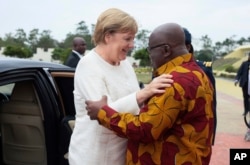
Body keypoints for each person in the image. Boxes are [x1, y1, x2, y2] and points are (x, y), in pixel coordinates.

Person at [86, 23, 215, 165]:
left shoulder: (172, 82)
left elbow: (145, 130)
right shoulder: (196, 72)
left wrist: (103, 113)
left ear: (166, 50)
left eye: (150, 49)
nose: (150, 55)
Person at [68, 8, 173, 165]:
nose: (132, 45)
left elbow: (136, 106)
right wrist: (144, 93)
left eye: (133, 39)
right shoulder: (88, 65)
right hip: (95, 156)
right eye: (127, 39)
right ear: (108, 36)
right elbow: (102, 113)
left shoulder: (125, 64)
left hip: (124, 152)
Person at [183, 27, 217, 145]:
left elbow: (211, 106)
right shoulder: (160, 70)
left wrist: (210, 137)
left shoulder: (203, 70)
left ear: (188, 47)